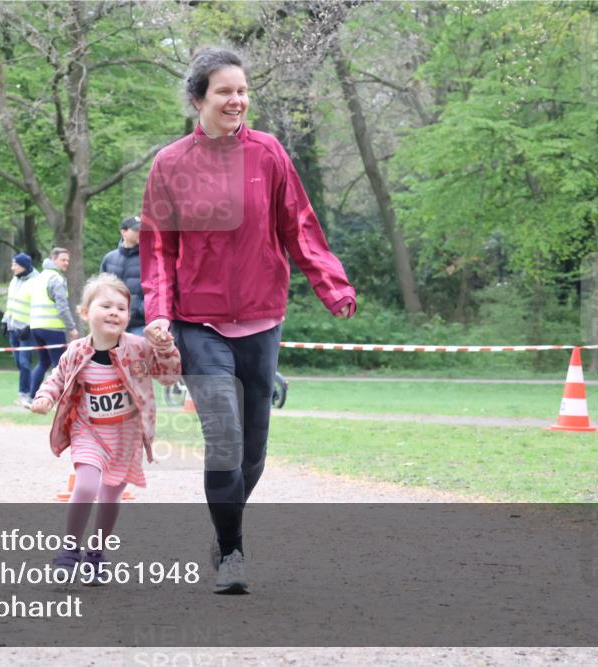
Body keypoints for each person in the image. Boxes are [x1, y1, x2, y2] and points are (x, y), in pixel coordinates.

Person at [140, 48, 356, 594]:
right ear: (198, 99)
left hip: (261, 319)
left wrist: (332, 285)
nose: (236, 100)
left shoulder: (268, 153)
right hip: (199, 322)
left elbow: (298, 226)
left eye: (242, 90)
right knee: (224, 437)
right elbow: (159, 249)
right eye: (224, 91)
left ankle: (223, 531)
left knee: (253, 452)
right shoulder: (170, 164)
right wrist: (159, 314)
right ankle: (232, 552)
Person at [31, 274, 181, 580]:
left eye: (121, 308)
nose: (114, 312)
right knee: (86, 485)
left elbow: (168, 377)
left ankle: (96, 554)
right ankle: (70, 548)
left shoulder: (139, 349)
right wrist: (45, 396)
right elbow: (58, 377)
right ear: (86, 313)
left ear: (128, 316)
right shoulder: (76, 351)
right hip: (88, 431)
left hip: (126, 437)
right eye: (106, 306)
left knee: (111, 497)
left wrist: (166, 349)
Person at [26, 247, 79, 405]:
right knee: (60, 365)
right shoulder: (56, 279)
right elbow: (62, 307)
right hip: (52, 328)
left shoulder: (40, 277)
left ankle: (31, 397)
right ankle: (63, 401)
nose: (66, 263)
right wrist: (71, 327)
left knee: (43, 363)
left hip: (36, 327)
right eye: (63, 259)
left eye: (68, 260)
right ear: (53, 259)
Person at [0, 252, 38, 406]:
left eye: (15, 264)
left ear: (24, 266)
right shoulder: (14, 280)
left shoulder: (36, 282)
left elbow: (37, 307)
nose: (12, 267)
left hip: (26, 331)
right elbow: (11, 304)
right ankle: (29, 390)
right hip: (13, 328)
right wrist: (4, 321)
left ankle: (25, 393)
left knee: (24, 363)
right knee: (18, 362)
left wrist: (29, 326)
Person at [100, 216, 146, 335]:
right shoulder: (109, 259)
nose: (141, 233)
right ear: (123, 232)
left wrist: (141, 310)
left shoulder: (149, 259)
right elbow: (100, 290)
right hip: (112, 322)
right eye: (136, 230)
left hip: (139, 324)